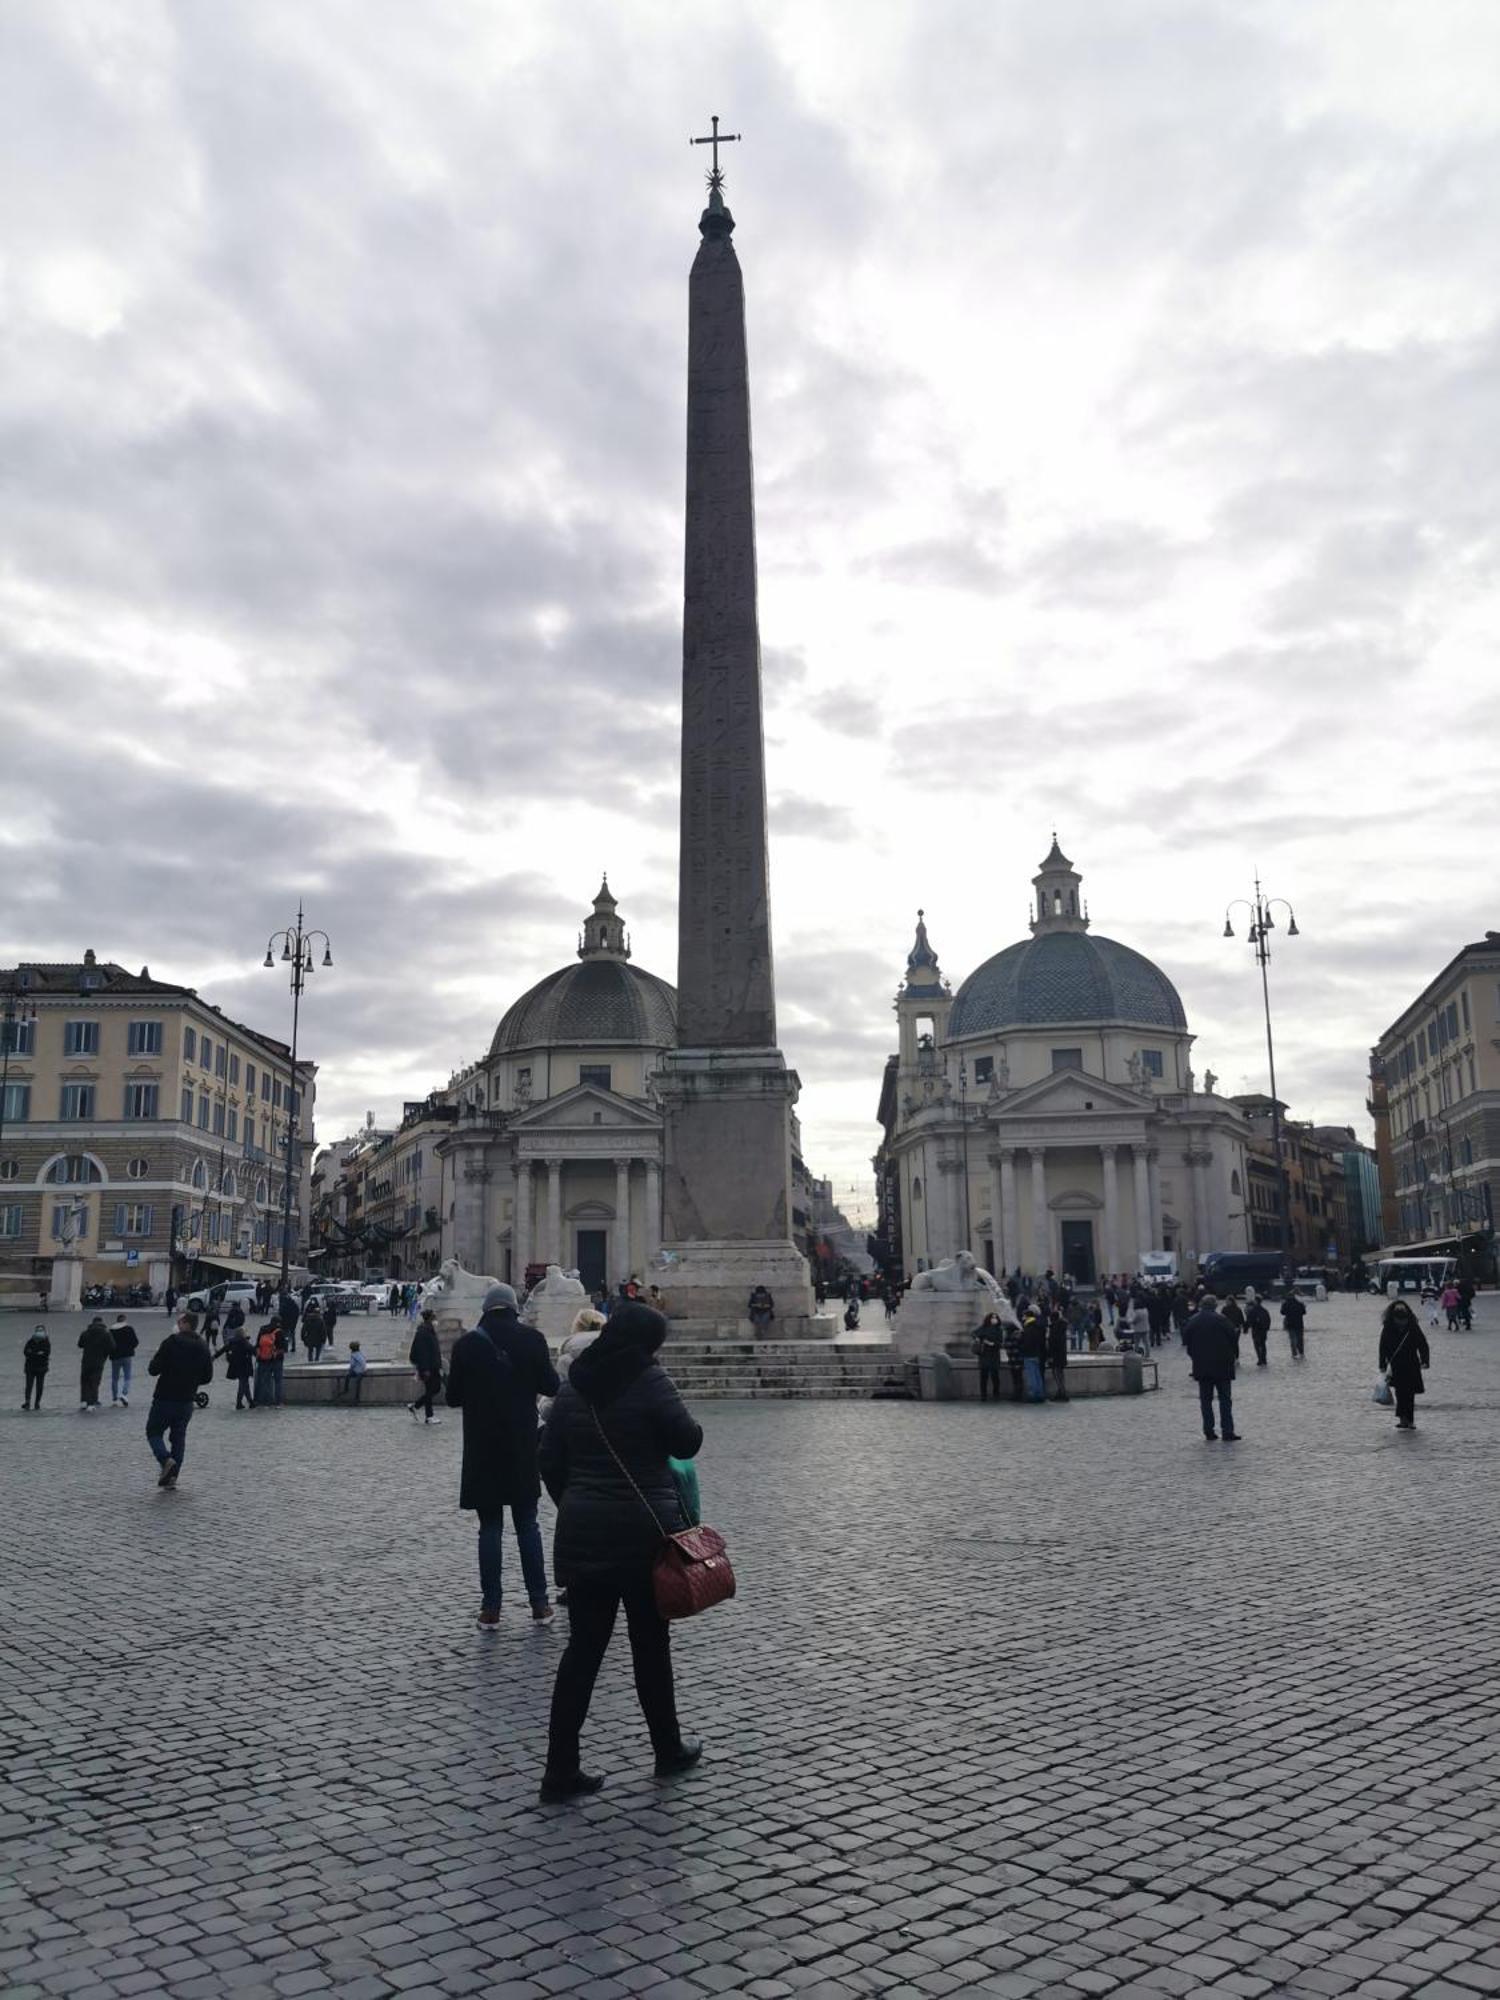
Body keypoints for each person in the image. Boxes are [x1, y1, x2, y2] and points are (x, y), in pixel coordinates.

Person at [538, 1303, 703, 1802]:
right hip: (642, 1537)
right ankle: (667, 1747)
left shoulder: (573, 1386)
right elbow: (688, 1440)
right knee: (650, 1648)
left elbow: (548, 1458)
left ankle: (559, 1769)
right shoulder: (650, 1381)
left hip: (584, 1533)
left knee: (582, 1653)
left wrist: (575, 1500)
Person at [445, 1281, 560, 1631]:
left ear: (486, 1308)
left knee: (489, 1528)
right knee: (528, 1524)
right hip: (522, 1444)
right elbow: (552, 1386)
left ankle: (491, 1609)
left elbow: (451, 1398)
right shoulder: (533, 1340)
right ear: (514, 1307)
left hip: (482, 1447)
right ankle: (539, 1604)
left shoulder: (467, 1344)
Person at [145, 1312, 214, 1487]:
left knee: (153, 1432)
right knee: (178, 1438)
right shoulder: (203, 1346)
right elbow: (207, 1377)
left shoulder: (171, 1342)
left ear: (185, 1324)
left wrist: (157, 1360)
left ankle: (166, 1460)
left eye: (179, 1321)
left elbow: (153, 1369)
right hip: (186, 1399)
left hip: (165, 1396)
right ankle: (173, 1476)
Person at [1183, 1297, 1241, 1441]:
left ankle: (1208, 1430)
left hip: (1202, 1366)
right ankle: (1227, 1431)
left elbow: (1186, 1341)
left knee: (1205, 1400)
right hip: (1222, 1366)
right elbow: (1233, 1338)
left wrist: (1195, 1356)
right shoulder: (1222, 1320)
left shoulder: (1193, 1320)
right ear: (1215, 1305)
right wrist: (1233, 1356)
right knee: (1225, 1400)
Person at [1379, 1298, 1430, 1430]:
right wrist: (1382, 1363)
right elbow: (1383, 1346)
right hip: (1399, 1365)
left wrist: (1425, 1360)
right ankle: (1404, 1419)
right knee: (1402, 1393)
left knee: (1407, 1393)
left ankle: (1408, 1420)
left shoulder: (1410, 1327)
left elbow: (1422, 1344)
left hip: (1409, 1364)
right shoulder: (1389, 1327)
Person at [407, 1310, 444, 1424]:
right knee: (433, 1389)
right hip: (428, 1367)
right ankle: (427, 1414)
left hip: (433, 1365)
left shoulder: (428, 1330)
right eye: (434, 1318)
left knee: (433, 1389)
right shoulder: (424, 1332)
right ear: (430, 1319)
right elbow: (423, 1352)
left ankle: (418, 1407)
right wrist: (425, 1369)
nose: (436, 1320)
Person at [77, 1315, 113, 1411]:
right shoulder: (106, 1334)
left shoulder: (85, 1333)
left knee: (84, 1381)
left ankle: (83, 1401)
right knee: (94, 1382)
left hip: (86, 1360)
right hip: (99, 1361)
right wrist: (105, 1353)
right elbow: (112, 1347)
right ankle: (91, 1402)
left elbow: (80, 1344)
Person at [971, 1313, 1005, 1402]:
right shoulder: (983, 1328)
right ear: (989, 1319)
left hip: (994, 1355)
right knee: (983, 1377)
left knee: (995, 1376)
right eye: (992, 1318)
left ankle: (996, 1395)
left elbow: (1000, 1342)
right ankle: (983, 1395)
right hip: (984, 1355)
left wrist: (992, 1344)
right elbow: (973, 1333)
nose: (994, 1319)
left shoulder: (999, 1330)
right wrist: (979, 1339)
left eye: (996, 1318)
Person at [109, 1314, 140, 1406]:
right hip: (127, 1355)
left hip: (115, 1356)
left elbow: (109, 1343)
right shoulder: (129, 1329)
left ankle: (114, 1398)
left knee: (115, 1378)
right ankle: (124, 1394)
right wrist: (130, 1348)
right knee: (127, 1377)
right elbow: (135, 1342)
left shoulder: (111, 1330)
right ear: (124, 1320)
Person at [224, 1321, 256, 1410]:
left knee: (244, 1385)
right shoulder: (245, 1342)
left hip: (236, 1366)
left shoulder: (232, 1342)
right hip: (245, 1366)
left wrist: (214, 1357)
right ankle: (245, 1402)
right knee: (244, 1385)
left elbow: (224, 1349)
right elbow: (253, 1351)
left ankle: (246, 1402)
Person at [1018, 1311, 1046, 1403]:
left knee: (1031, 1376)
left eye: (1023, 1316)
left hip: (1029, 1354)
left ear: (1026, 1317)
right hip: (1037, 1354)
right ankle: (1040, 1394)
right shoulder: (1037, 1326)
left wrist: (1021, 1345)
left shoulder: (1028, 1328)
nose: (1023, 1318)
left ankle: (1032, 1395)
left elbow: (1027, 1342)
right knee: (1037, 1375)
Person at [23, 1325, 50, 1409]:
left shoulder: (46, 1342)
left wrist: (32, 1353)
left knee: (39, 1386)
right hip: (31, 1367)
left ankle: (37, 1403)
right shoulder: (31, 1341)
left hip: (40, 1368)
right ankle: (28, 1402)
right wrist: (37, 1354)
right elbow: (25, 1351)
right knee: (29, 1385)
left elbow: (46, 1353)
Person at [252, 1321, 280, 1406]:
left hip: (261, 1360)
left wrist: (257, 1355)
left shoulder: (262, 1334)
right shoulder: (273, 1335)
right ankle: (269, 1400)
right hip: (270, 1360)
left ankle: (259, 1399)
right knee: (269, 1381)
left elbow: (256, 1346)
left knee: (261, 1380)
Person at [1045, 1311, 1070, 1402]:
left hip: (1056, 1355)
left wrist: (1049, 1355)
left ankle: (1062, 1393)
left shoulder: (1055, 1328)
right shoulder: (1061, 1327)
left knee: (1057, 1374)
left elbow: (1053, 1343)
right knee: (1060, 1374)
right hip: (1061, 1355)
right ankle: (1061, 1392)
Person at [1244, 1294, 1271, 1368]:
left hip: (1256, 1330)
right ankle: (1264, 1359)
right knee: (1263, 1344)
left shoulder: (1253, 1310)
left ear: (1256, 1301)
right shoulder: (1264, 1310)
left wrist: (1245, 1328)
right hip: (1263, 1330)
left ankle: (1260, 1359)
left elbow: (1249, 1320)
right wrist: (1267, 1328)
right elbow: (1268, 1320)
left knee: (1257, 1345)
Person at [1280, 1291, 1307, 1360]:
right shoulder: (1299, 1303)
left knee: (1292, 1339)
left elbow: (1282, 1312)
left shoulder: (1286, 1304)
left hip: (1290, 1323)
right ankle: (1301, 1352)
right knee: (1300, 1338)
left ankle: (1294, 1353)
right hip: (1299, 1323)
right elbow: (1304, 1312)